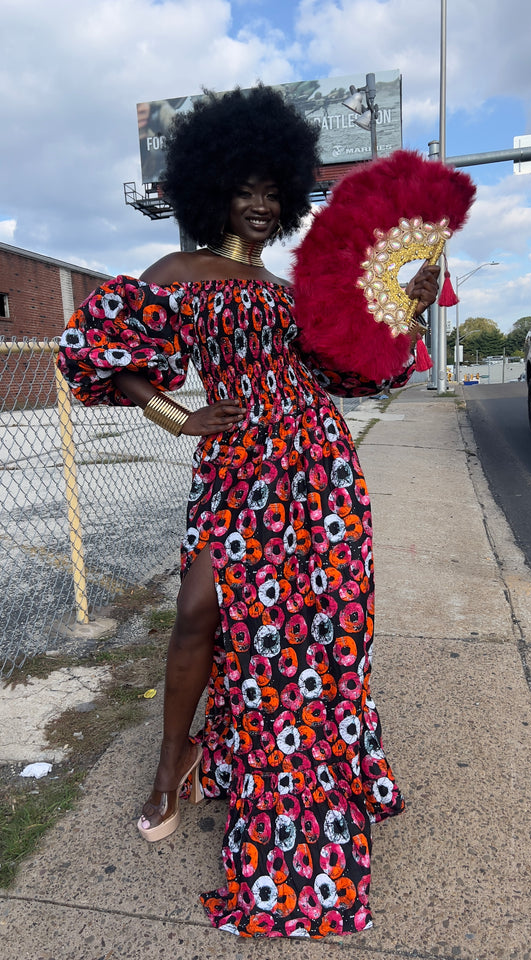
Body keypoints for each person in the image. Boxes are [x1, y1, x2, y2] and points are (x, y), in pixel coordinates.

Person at [58, 84, 439, 939]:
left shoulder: (291, 288)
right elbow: (95, 350)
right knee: (198, 613)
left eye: (275, 190)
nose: (262, 205)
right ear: (211, 188)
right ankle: (172, 766)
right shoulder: (176, 276)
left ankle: (321, 770)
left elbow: (353, 373)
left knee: (311, 634)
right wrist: (177, 414)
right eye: (246, 189)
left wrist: (407, 310)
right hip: (235, 467)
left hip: (319, 468)